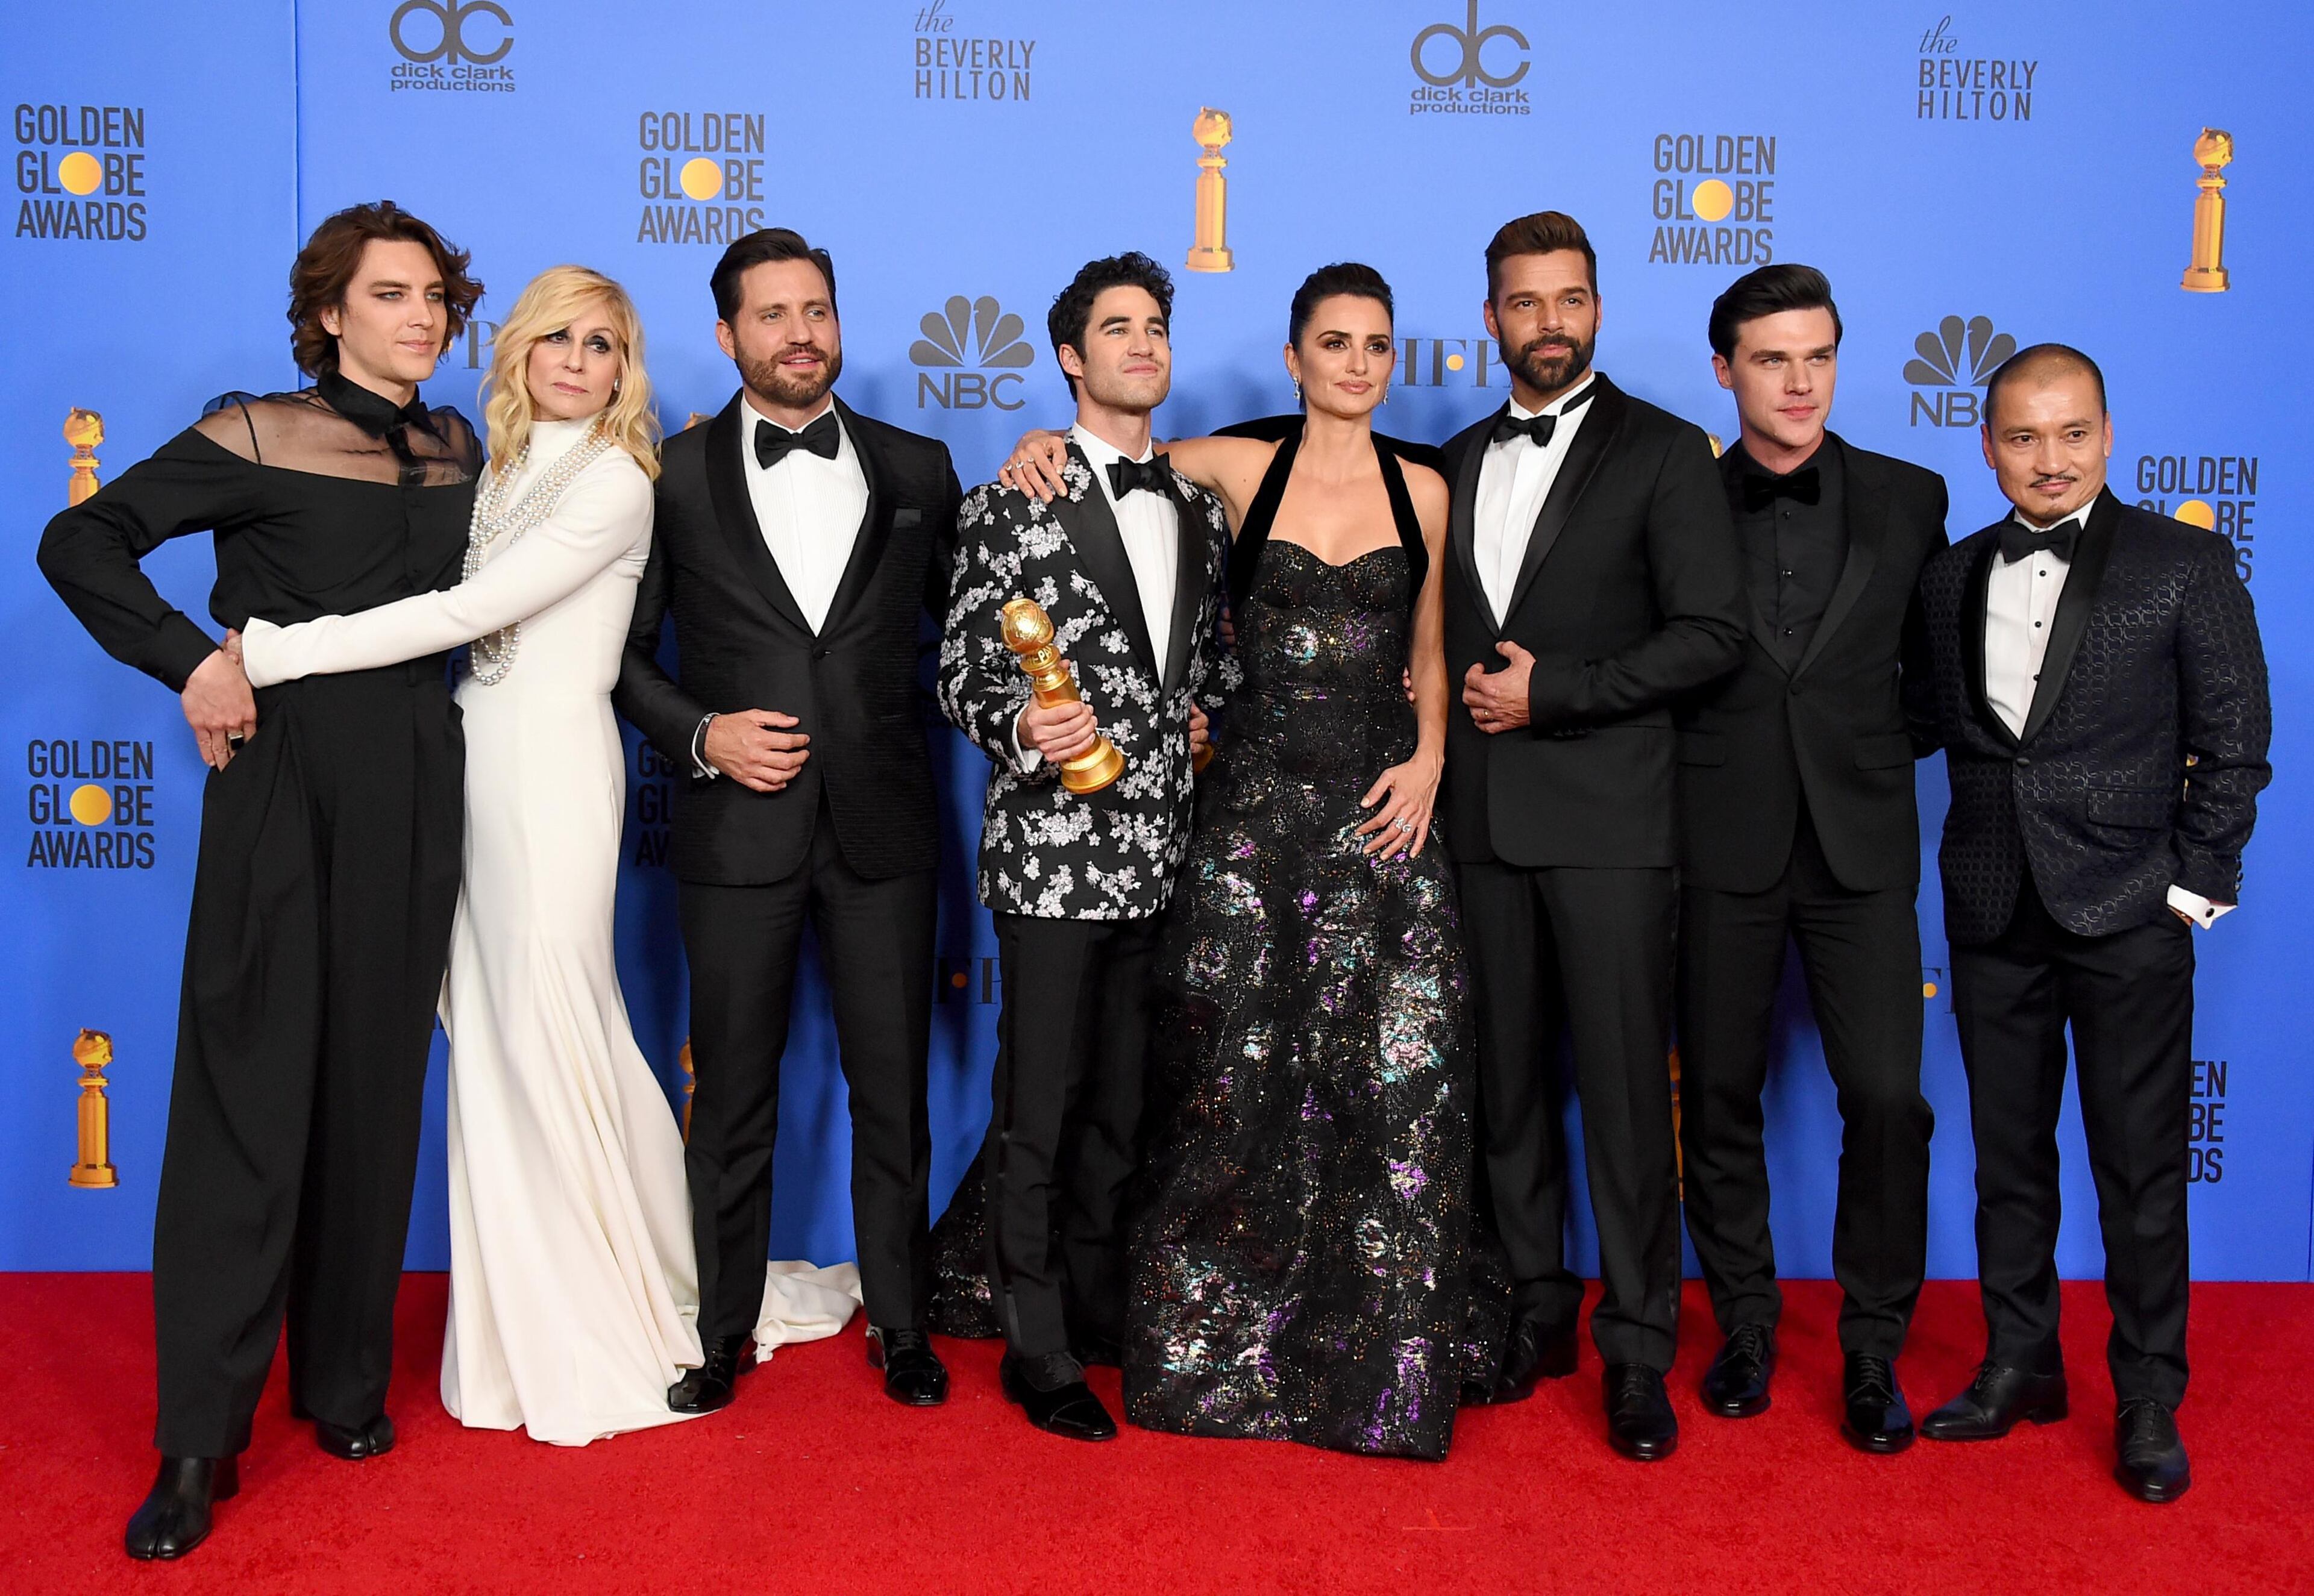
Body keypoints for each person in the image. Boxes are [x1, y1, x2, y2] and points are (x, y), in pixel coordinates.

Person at [233, 266, 863, 1446]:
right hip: (469, 766)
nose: (580, 359)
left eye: (608, 343)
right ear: (520, 348)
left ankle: (602, 1297)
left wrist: (278, 652)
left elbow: (458, 617)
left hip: (552, 780)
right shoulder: (498, 466)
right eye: (560, 337)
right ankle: (551, 1290)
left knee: (551, 1024)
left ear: (627, 368)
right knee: (494, 1033)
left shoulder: (621, 483)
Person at [39, 201, 483, 1560]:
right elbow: (82, 542)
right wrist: (191, 659)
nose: (420, 317)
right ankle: (197, 1438)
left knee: (370, 1082)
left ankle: (344, 1383)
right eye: (390, 294)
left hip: (422, 778)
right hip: (284, 783)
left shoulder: (467, 445)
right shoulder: (258, 429)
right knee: (248, 1091)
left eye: (436, 298)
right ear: (331, 312)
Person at [993, 264, 1469, 1459]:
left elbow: (1428, 652)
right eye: (1333, 342)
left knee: (1389, 1083)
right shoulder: (1235, 469)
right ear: (1297, 359)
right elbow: (1123, 456)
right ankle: (1212, 1345)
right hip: (1249, 823)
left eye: (1376, 343)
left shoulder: (1427, 488)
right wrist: (1041, 437)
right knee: (1232, 1076)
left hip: (1377, 819)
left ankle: (1368, 1357)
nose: (1357, 363)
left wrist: (1430, 764)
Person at [1909, 344, 2269, 1503]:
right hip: (1992, 901)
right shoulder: (1951, 576)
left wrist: (2189, 884)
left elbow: (2236, 737)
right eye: (2023, 437)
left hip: (2128, 910)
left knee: (2138, 1168)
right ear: (1988, 447)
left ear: (2109, 436)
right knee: (2007, 1159)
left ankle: (2149, 1395)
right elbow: (1924, 723)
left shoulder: (2185, 563)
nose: (2048, 460)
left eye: (2071, 435)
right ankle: (2021, 1362)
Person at [613, 228, 964, 1415]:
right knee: (735, 1096)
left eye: (816, 308)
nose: (799, 332)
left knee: (892, 1090)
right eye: (772, 315)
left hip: (883, 828)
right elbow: (618, 658)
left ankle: (905, 1328)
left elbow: (972, 640)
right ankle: (722, 1333)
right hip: (734, 831)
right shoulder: (667, 476)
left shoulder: (920, 469)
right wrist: (701, 734)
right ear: (728, 336)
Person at [1442, 211, 1745, 1461]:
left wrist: (1551, 691)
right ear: (1493, 318)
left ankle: (1636, 1351)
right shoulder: (1450, 457)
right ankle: (1532, 1313)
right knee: (1505, 1092)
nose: (1548, 321)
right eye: (1524, 302)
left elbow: (1711, 634)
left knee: (1626, 1098)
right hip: (1481, 824)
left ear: (1599, 310)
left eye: (1569, 299)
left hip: (1616, 822)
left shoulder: (1672, 451)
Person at [937, 252, 1231, 1441]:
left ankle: (1103, 1311)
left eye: (1155, 326)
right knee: (1042, 1102)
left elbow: (1203, 663)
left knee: (1120, 1103)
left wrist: (1201, 717)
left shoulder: (1200, 504)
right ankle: (1037, 1341)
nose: (1142, 345)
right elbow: (963, 665)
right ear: (1071, 356)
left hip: (1162, 850)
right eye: (1117, 328)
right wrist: (1021, 720)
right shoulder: (1012, 497)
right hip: (1056, 847)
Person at [1672, 264, 1947, 1452]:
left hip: (1862, 847)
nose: (1799, 381)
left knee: (1888, 1098)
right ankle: (1744, 1323)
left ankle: (1874, 1347)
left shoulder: (1912, 496)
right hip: (1716, 839)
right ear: (1726, 369)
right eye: (1773, 358)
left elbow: (1933, 683)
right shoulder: (1669, 496)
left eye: (1819, 355)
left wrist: (1867, 758)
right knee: (1720, 1097)